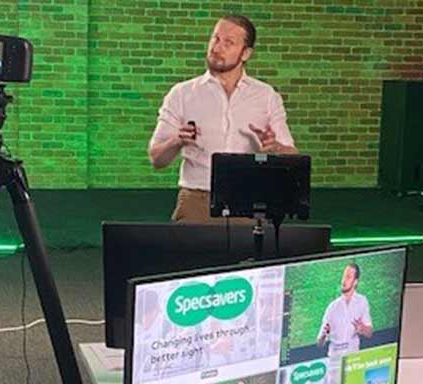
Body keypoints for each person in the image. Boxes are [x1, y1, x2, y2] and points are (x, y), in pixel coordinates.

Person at [148, 15, 298, 223]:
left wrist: (275, 147)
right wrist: (177, 141)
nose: (217, 47)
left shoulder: (266, 96)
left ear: (246, 53)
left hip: (250, 203)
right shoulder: (181, 94)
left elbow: (293, 158)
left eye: (228, 42)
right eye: (215, 38)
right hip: (196, 203)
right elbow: (156, 159)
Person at [316, 263, 373, 357]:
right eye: (343, 276)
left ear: (355, 282)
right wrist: (324, 335)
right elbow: (319, 343)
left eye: (348, 277)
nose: (343, 281)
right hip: (334, 360)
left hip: (354, 359)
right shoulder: (332, 307)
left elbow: (369, 333)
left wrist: (362, 328)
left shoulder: (362, 301)